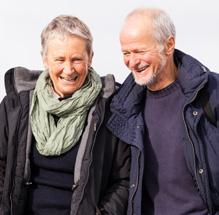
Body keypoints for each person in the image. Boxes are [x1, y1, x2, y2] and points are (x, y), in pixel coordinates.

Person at [0, 15, 130, 215]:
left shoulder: (111, 108)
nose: (68, 70)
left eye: (77, 59)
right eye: (60, 59)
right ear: (45, 60)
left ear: (90, 58)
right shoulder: (15, 106)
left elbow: (124, 179)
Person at [107, 7, 219, 215]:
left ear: (168, 45)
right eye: (126, 53)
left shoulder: (211, 91)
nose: (132, 62)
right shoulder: (123, 106)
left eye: (140, 51)